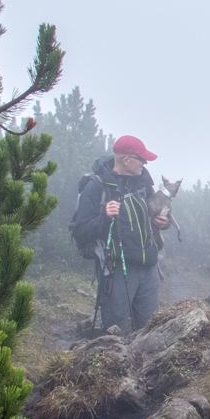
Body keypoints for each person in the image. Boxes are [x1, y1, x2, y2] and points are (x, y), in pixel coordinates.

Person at [72, 135, 170, 333]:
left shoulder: (144, 184)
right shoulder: (96, 187)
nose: (145, 163)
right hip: (116, 271)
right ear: (127, 160)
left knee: (150, 332)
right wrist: (104, 218)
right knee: (115, 334)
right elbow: (79, 231)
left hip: (148, 268)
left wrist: (162, 223)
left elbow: (154, 214)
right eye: (141, 159)